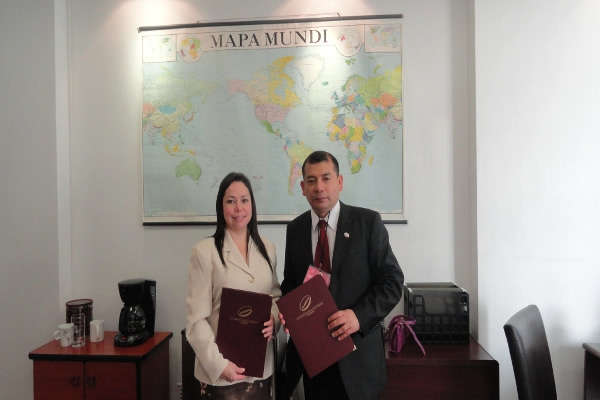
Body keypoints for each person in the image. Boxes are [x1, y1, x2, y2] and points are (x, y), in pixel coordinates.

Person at [279, 151, 404, 400]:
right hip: (314, 360)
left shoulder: (368, 223)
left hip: (357, 361)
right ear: (302, 188)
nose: (319, 187)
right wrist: (288, 311)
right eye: (311, 180)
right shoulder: (295, 229)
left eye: (326, 178)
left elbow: (392, 282)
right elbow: (291, 282)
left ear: (340, 182)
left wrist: (358, 316)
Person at [186, 172, 281, 399]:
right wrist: (219, 365)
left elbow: (275, 296)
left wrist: (274, 319)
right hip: (220, 373)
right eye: (231, 201)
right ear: (221, 207)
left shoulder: (268, 249)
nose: (239, 208)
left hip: (261, 369)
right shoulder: (204, 252)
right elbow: (196, 320)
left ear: (252, 205)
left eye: (244, 200)